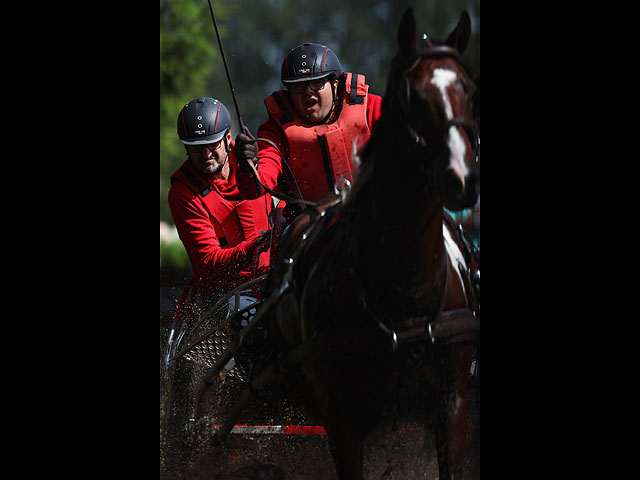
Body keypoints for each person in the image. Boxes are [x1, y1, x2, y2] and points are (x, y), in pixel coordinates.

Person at [234, 42, 383, 215]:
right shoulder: (274, 132)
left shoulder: (371, 108)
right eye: (298, 85)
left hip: (374, 210)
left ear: (334, 84)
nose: (308, 91)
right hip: (308, 221)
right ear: (289, 92)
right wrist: (248, 166)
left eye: (317, 82)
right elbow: (254, 188)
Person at [168, 97, 272, 317]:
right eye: (196, 148)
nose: (206, 155)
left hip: (274, 276)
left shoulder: (255, 158)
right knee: (256, 321)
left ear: (227, 138)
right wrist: (255, 247)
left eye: (212, 144)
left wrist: (255, 167)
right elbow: (207, 264)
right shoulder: (182, 194)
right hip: (225, 294)